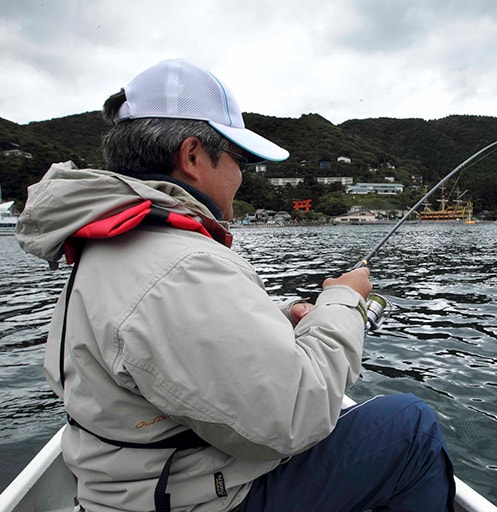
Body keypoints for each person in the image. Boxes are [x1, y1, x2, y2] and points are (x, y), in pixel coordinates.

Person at [15, 58, 455, 512]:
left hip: (136, 487)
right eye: (239, 160)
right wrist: (344, 300)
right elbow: (294, 416)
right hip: (196, 500)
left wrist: (277, 318)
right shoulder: (178, 265)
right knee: (411, 426)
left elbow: (168, 336)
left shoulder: (111, 245)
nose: (242, 176)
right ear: (192, 156)